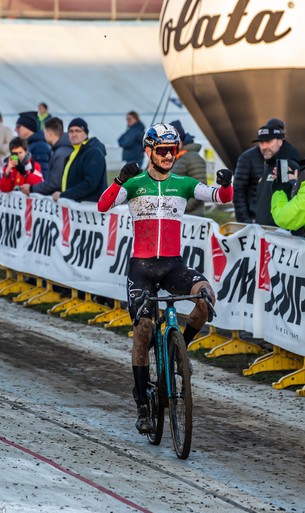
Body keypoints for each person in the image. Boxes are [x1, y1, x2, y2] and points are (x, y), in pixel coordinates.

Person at [96, 123, 233, 434]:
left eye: (173, 150)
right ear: (149, 152)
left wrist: (226, 185)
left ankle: (177, 352)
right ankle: (142, 403)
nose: (169, 155)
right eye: (162, 150)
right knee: (143, 329)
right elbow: (103, 205)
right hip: (142, 268)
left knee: (205, 296)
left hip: (172, 265)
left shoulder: (183, 184)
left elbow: (220, 197)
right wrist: (119, 180)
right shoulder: (135, 183)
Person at [233, 118, 301, 226]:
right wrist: (245, 223)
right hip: (254, 221)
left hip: (278, 226)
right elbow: (238, 191)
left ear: (281, 139)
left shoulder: (288, 162)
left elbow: (293, 198)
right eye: (261, 142)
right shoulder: (248, 158)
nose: (264, 146)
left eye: (268, 141)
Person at [52, 117, 107, 203]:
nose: (74, 134)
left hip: (89, 210)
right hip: (74, 207)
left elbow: (90, 184)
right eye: (71, 131)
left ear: (85, 133)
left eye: (78, 131)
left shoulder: (93, 152)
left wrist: (64, 195)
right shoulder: (73, 154)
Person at [25, 117, 72, 196]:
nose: (44, 135)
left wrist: (32, 188)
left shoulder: (60, 154)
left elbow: (54, 183)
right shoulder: (60, 150)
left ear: (49, 133)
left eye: (45, 132)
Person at [169, 119, 208, 215]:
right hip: (174, 216)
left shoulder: (193, 158)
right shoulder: (173, 158)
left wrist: (182, 208)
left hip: (190, 218)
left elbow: (201, 188)